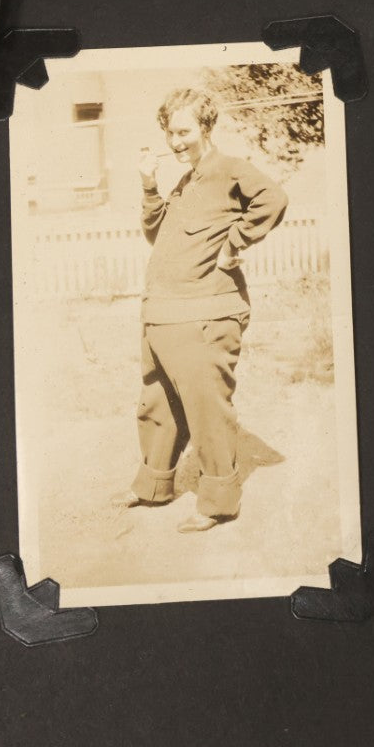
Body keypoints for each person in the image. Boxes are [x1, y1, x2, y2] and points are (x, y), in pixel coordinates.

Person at [129, 88, 289, 532]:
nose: (176, 140)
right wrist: (148, 185)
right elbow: (155, 234)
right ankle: (154, 486)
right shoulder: (187, 180)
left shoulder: (229, 170)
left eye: (183, 131)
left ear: (205, 127)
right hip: (163, 313)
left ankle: (219, 502)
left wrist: (234, 246)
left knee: (206, 409)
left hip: (205, 315)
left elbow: (273, 199)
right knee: (157, 403)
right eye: (169, 132)